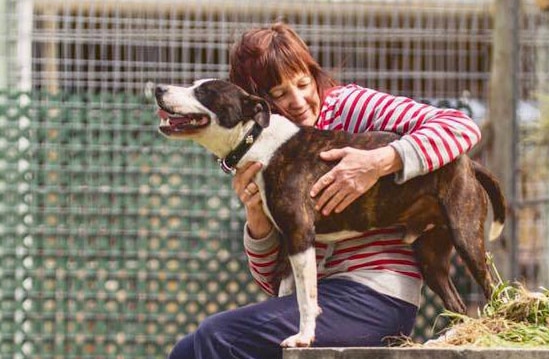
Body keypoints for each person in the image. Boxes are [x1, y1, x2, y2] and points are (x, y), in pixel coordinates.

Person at [168, 22, 481, 359]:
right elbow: (270, 282)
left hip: (375, 295)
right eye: (279, 94)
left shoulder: (351, 106)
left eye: (303, 83)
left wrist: (379, 161)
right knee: (187, 350)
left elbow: (460, 126)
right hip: (313, 302)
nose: (299, 100)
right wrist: (257, 219)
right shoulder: (261, 150)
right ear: (254, 104)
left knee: (219, 336)